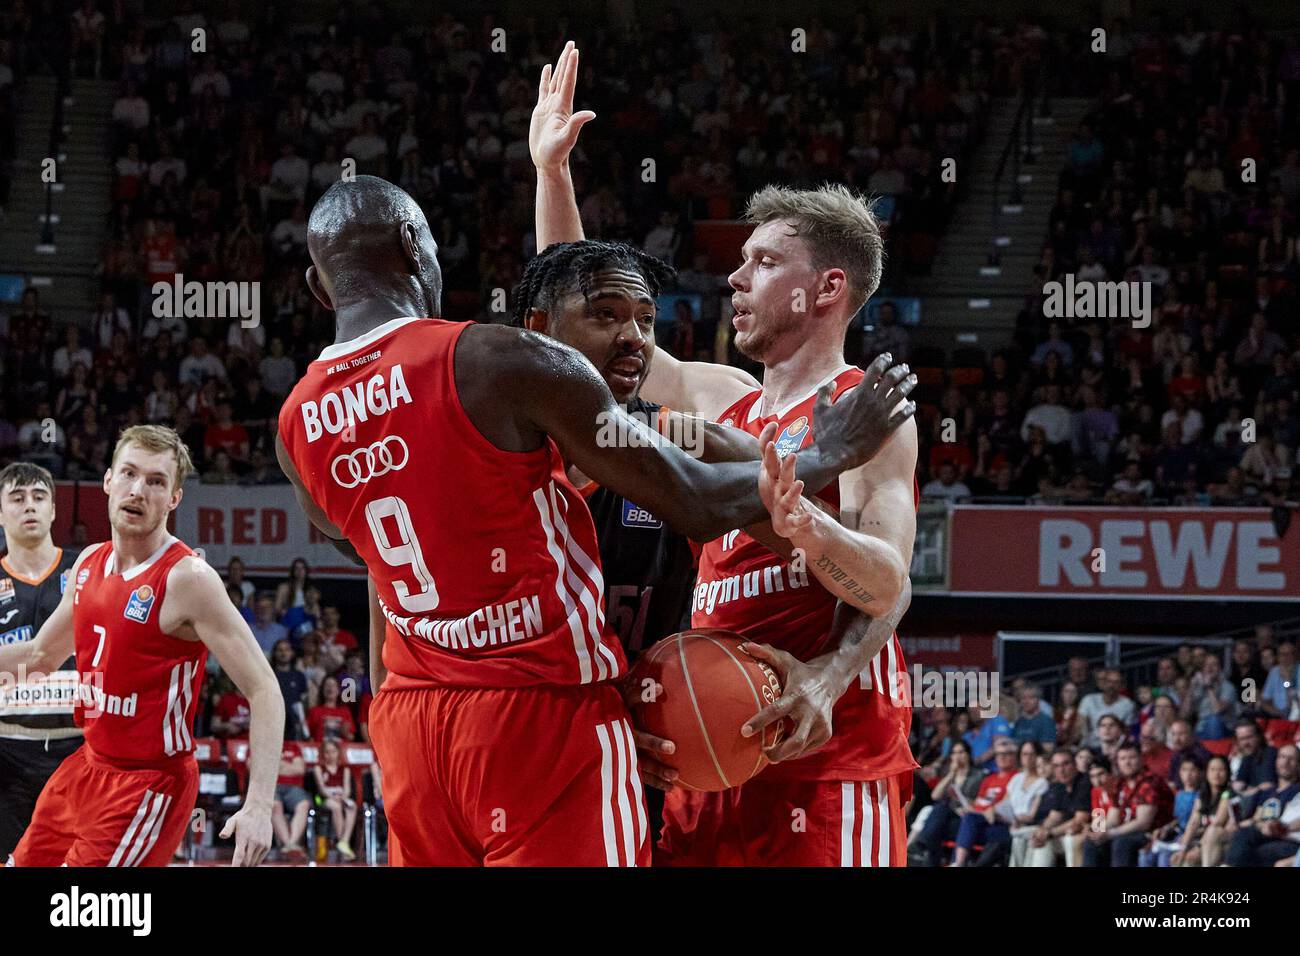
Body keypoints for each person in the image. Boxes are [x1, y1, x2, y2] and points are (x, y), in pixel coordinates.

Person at [275, 166, 909, 866]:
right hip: (555, 718)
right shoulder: (498, 368)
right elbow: (694, 491)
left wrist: (828, 649)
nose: (632, 337)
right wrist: (828, 457)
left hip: (714, 732)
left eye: (644, 321)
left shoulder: (300, 422)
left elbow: (883, 582)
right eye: (607, 319)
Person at [534, 44, 921, 867]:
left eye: (763, 262)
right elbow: (582, 339)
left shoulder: (864, 410)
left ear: (828, 290)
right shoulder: (715, 397)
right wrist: (552, 176)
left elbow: (889, 582)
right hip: (708, 750)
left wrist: (825, 664)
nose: (734, 280)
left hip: (828, 757)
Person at [2, 425, 281, 866]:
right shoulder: (87, 564)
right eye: (129, 474)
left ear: (174, 498)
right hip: (86, 766)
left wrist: (260, 805)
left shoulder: (189, 579)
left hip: (148, 783)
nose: (138, 490)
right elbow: (38, 656)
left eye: (155, 481)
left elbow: (265, 690)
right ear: (108, 482)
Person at [0, 463, 81, 861]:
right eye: (16, 498)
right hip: (7, 750)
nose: (28, 506)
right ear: (0, 513)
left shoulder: (88, 571)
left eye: (38, 497)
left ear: (53, 509)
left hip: (80, 750)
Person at [1084, 741, 1174, 867]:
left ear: (1141, 759)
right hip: (1125, 831)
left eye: (1131, 757)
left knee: (1121, 843)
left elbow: (1143, 823)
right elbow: (1113, 818)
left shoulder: (1149, 783)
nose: (1127, 762)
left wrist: (1110, 833)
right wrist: (1096, 830)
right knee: (1092, 841)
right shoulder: (1118, 785)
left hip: (1153, 832)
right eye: (1122, 758)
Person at [910, 738, 983, 866]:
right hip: (945, 820)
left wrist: (965, 804)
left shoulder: (978, 775)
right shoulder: (949, 774)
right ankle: (925, 847)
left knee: (939, 812)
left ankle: (920, 843)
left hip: (963, 820)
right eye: (954, 753)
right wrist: (952, 774)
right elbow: (935, 795)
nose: (958, 756)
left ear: (968, 754)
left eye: (961, 752)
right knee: (938, 814)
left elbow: (979, 802)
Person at [1225, 744, 1300, 866]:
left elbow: (1285, 819)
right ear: (1276, 761)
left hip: (1284, 836)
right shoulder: (1267, 792)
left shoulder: (1297, 790)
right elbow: (1257, 817)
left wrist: (1273, 827)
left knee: (1254, 847)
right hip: (1264, 833)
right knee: (1241, 833)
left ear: (1298, 765)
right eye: (1282, 757)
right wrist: (1245, 823)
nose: (1285, 762)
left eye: (1291, 759)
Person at [950, 737, 1018, 867]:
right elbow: (978, 803)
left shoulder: (1016, 777)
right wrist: (969, 808)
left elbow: (1004, 806)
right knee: (959, 819)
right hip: (978, 821)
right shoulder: (989, 778)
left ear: (1014, 756)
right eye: (998, 754)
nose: (1001, 757)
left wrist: (976, 811)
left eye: (1006, 754)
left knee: (968, 821)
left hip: (998, 823)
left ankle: (957, 863)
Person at [1021, 747, 1091, 867]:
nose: (1061, 770)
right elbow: (1055, 816)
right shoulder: (1059, 786)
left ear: (1075, 764)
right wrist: (1042, 830)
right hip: (1067, 831)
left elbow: (1081, 819)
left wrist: (1050, 833)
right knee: (1038, 838)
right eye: (1056, 766)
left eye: (1065, 764)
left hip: (1088, 831)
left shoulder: (1084, 782)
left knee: (1069, 839)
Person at [1171, 754, 1232, 867]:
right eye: (1213, 770)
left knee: (1212, 832)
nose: (1217, 774)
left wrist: (1198, 848)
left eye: (1221, 770)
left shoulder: (1228, 793)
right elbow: (1193, 823)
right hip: (1203, 840)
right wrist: (1183, 850)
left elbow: (1218, 822)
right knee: (1178, 860)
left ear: (1228, 772)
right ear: (1206, 773)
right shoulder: (1202, 795)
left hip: (1223, 841)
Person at [1141, 757, 1202, 866]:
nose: (1188, 774)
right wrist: (1165, 828)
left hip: (1191, 836)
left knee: (1164, 856)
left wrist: (1187, 836)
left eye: (1192, 770)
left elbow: (1196, 822)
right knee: (1145, 855)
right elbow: (1177, 819)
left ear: (1200, 773)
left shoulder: (1201, 795)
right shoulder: (1179, 795)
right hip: (1176, 833)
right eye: (1184, 770)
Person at [312, 738, 358, 861]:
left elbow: (347, 789)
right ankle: (341, 842)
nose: (330, 755)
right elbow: (321, 789)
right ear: (323, 754)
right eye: (327, 752)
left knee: (352, 806)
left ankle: (344, 841)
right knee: (336, 807)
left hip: (341, 797)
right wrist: (333, 797)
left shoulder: (345, 770)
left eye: (333, 751)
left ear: (338, 752)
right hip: (322, 799)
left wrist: (342, 797)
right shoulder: (318, 768)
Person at [271, 742, 309, 860]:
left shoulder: (293, 747)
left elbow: (300, 769)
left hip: (293, 787)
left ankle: (292, 843)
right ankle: (288, 844)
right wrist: (289, 766)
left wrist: (276, 766)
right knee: (275, 805)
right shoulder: (261, 743)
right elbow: (255, 768)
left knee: (304, 804)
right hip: (271, 786)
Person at [1079, 669, 1136, 746]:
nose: (1112, 685)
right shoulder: (1089, 700)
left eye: (1116, 682)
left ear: (1121, 686)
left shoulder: (1128, 704)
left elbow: (1126, 731)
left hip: (1115, 746)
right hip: (1090, 745)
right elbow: (1081, 727)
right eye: (1109, 681)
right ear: (1103, 683)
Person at [306, 675, 356, 742]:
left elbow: (352, 737)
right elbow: (308, 737)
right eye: (327, 685)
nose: (330, 688)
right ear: (322, 690)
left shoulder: (345, 711)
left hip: (341, 751)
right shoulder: (314, 711)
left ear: (338, 691)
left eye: (333, 685)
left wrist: (345, 733)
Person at [1012, 683, 1056, 747]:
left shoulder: (1046, 721)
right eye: (1023, 698)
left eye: (1031, 698)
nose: (1026, 701)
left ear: (1038, 700)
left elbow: (1048, 748)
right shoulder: (1019, 721)